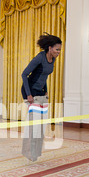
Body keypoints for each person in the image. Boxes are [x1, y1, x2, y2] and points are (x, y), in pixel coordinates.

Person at [21, 33, 62, 161]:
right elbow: (24, 75)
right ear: (50, 48)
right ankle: (29, 153)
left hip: (41, 92)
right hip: (30, 92)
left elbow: (44, 76)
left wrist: (46, 91)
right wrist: (29, 95)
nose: (59, 52)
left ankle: (35, 153)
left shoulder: (53, 59)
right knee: (34, 124)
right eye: (57, 49)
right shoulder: (39, 58)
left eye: (60, 49)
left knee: (41, 124)